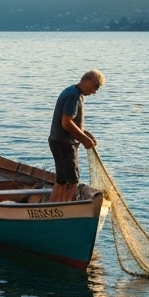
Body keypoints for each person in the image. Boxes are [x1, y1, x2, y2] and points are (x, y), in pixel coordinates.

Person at [48, 70, 105, 202]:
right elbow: (66, 123)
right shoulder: (74, 95)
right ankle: (67, 212)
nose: (95, 91)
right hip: (64, 144)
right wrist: (84, 139)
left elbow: (72, 122)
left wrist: (85, 133)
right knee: (73, 182)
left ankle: (53, 206)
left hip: (57, 141)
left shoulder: (72, 91)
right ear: (87, 80)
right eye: (95, 86)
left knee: (61, 181)